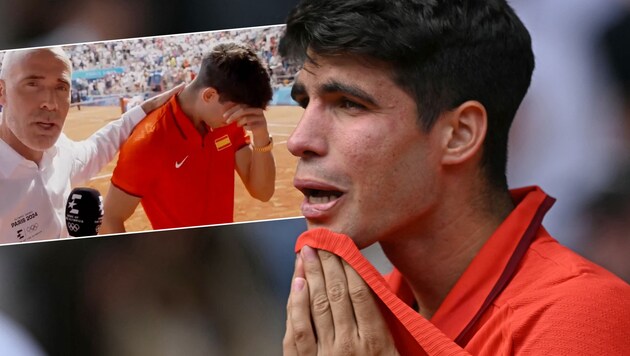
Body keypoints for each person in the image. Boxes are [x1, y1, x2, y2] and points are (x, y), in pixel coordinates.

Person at [278, 0, 630, 354]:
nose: (298, 140)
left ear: (460, 134)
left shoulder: (579, 316)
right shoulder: (350, 322)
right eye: (305, 103)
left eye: (349, 104)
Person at [0, 47, 181, 244]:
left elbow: (95, 150)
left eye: (61, 87)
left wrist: (145, 109)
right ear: (2, 92)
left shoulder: (60, 150)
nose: (50, 103)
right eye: (33, 84)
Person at [101, 43, 276, 233]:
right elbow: (110, 216)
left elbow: (263, 192)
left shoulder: (229, 120)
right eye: (236, 111)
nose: (239, 119)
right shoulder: (149, 140)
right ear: (209, 95)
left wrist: (261, 136)